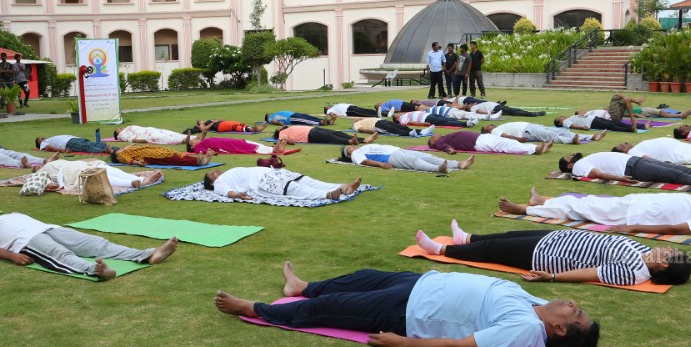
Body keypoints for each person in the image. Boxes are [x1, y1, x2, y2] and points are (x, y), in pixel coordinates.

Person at [215, 262, 599, 347]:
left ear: (560, 332)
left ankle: (253, 308)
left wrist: (402, 344)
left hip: (409, 311)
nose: (574, 305)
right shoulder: (537, 308)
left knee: (331, 308)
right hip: (421, 282)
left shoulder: (525, 331)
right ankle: (300, 287)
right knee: (359, 277)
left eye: (575, 314)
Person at [415, 224, 691, 286]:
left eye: (670, 252)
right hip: (561, 238)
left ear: (664, 264)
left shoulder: (633, 272)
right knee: (507, 236)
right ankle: (467, 238)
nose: (667, 248)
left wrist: (553, 277)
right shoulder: (645, 252)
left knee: (493, 252)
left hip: (547, 255)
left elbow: (592, 273)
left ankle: (441, 249)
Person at [0, 213, 177, 279]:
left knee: (96, 243)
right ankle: (96, 270)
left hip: (49, 228)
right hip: (26, 242)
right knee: (60, 255)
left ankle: (148, 255)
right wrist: (13, 256)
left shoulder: (2, 216)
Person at [499, 188, 691, 236]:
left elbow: (677, 229)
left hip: (636, 216)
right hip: (640, 203)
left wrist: (633, 228)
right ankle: (542, 200)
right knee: (588, 202)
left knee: (581, 209)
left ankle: (525, 208)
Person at [558, 152, 691, 189]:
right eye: (568, 157)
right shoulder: (579, 166)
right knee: (676, 175)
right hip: (632, 167)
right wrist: (621, 178)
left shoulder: (583, 160)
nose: (571, 155)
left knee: (678, 168)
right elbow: (597, 174)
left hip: (635, 161)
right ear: (569, 165)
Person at [202, 168, 362, 201]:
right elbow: (224, 191)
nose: (216, 171)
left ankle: (343, 187)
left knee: (306, 180)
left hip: (272, 172)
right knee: (295, 188)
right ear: (212, 181)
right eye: (212, 174)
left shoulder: (227, 173)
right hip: (262, 182)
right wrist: (236, 194)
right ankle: (328, 194)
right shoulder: (219, 183)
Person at [19, 159, 161, 195]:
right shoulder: (41, 172)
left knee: (104, 168)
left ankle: (141, 180)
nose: (37, 166)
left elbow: (50, 159)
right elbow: (44, 182)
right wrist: (53, 185)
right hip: (68, 171)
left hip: (75, 164)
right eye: (35, 168)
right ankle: (133, 183)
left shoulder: (49, 163)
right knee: (95, 174)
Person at [343, 143, 473, 174]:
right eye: (349, 148)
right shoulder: (355, 154)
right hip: (389, 157)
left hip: (396, 150)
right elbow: (364, 162)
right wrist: (380, 165)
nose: (352, 147)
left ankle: (458, 164)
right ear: (349, 155)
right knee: (413, 162)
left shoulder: (362, 147)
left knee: (426, 156)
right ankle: (438, 169)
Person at [429, 131, 551, 155]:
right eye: (434, 136)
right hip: (478, 142)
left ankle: (536, 148)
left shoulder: (444, 137)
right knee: (505, 146)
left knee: (506, 142)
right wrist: (450, 150)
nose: (436, 133)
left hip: (481, 138)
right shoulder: (439, 142)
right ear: (433, 141)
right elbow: (443, 146)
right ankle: (535, 150)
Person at [485, 122, 598, 145]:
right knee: (551, 136)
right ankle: (572, 141)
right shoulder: (493, 132)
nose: (491, 124)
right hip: (527, 131)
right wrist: (518, 139)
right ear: (487, 130)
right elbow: (504, 136)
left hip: (531, 127)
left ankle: (590, 136)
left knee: (559, 131)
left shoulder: (498, 127)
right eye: (488, 126)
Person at [184, 134, 292, 156]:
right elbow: (204, 153)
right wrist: (213, 153)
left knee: (248, 145)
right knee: (249, 146)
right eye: (192, 141)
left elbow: (201, 135)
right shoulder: (197, 148)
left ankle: (278, 145)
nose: (194, 139)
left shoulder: (200, 143)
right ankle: (280, 144)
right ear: (192, 146)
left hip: (229, 143)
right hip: (228, 145)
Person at [111, 145, 213, 166]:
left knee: (174, 154)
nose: (119, 149)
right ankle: (197, 162)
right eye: (117, 150)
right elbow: (128, 160)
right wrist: (137, 163)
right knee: (173, 159)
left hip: (152, 150)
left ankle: (201, 160)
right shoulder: (121, 155)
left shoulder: (126, 149)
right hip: (150, 155)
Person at [554, 111, 637, 134]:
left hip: (593, 118)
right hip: (591, 122)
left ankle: (630, 126)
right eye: (559, 118)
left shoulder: (569, 118)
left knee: (613, 122)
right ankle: (630, 129)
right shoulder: (565, 122)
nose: (561, 116)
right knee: (610, 125)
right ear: (559, 122)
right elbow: (572, 126)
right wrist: (582, 128)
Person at [273, 125, 361, 145]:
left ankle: (362, 139)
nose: (280, 127)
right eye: (278, 128)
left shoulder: (289, 128)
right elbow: (283, 139)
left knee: (336, 133)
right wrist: (290, 142)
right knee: (330, 137)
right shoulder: (282, 132)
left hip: (313, 129)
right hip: (309, 135)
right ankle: (349, 141)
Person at [350, 116, 429, 137]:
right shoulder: (355, 124)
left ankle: (421, 131)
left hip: (381, 121)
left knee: (400, 126)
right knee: (394, 129)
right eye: (356, 118)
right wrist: (373, 132)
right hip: (376, 126)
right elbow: (361, 129)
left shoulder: (363, 120)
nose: (357, 118)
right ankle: (409, 134)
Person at [112, 125, 188, 145]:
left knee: (167, 132)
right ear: (117, 134)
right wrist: (138, 140)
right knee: (161, 137)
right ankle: (182, 140)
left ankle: (192, 138)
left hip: (148, 130)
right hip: (146, 134)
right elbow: (129, 138)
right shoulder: (121, 135)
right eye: (118, 130)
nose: (120, 128)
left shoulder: (126, 129)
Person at [36, 134, 109, 154]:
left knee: (91, 144)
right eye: (40, 139)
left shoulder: (49, 139)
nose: (42, 138)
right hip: (68, 143)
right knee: (86, 146)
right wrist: (62, 150)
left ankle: (112, 149)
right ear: (40, 143)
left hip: (73, 139)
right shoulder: (43, 143)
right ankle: (105, 150)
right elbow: (49, 148)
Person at [266, 111, 333, 127]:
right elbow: (273, 121)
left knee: (309, 117)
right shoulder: (270, 117)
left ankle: (329, 122)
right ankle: (321, 123)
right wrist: (279, 123)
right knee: (307, 120)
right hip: (292, 118)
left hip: (294, 114)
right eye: (268, 114)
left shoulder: (274, 114)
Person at [195, 119, 265, 134]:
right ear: (199, 123)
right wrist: (213, 122)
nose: (202, 120)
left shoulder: (207, 121)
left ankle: (253, 128)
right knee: (234, 126)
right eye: (201, 120)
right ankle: (251, 130)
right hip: (219, 127)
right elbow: (204, 130)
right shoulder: (201, 125)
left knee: (238, 123)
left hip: (222, 123)